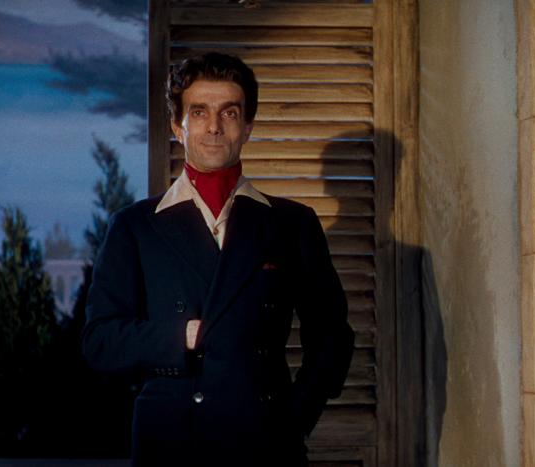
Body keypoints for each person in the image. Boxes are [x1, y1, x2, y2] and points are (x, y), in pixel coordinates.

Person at [82, 52, 355, 467]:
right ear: (177, 127)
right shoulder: (134, 226)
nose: (214, 126)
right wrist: (183, 335)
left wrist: (294, 420)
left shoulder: (291, 223)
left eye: (229, 113)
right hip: (170, 445)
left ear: (247, 127)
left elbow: (332, 338)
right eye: (199, 112)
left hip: (265, 444)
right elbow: (99, 342)